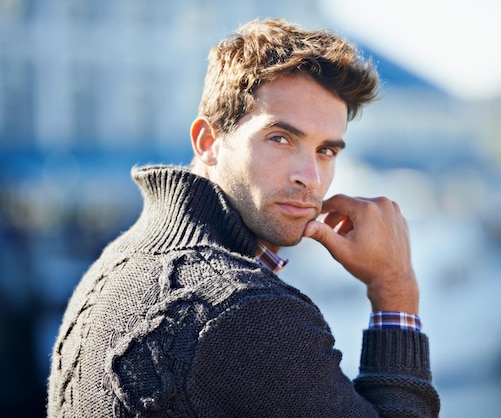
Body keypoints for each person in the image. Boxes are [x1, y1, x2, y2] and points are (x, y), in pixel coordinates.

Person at [47, 18, 440, 417]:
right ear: (209, 142)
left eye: (326, 150)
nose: (311, 176)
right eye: (280, 139)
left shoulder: (119, 257)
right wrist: (394, 286)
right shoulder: (243, 308)